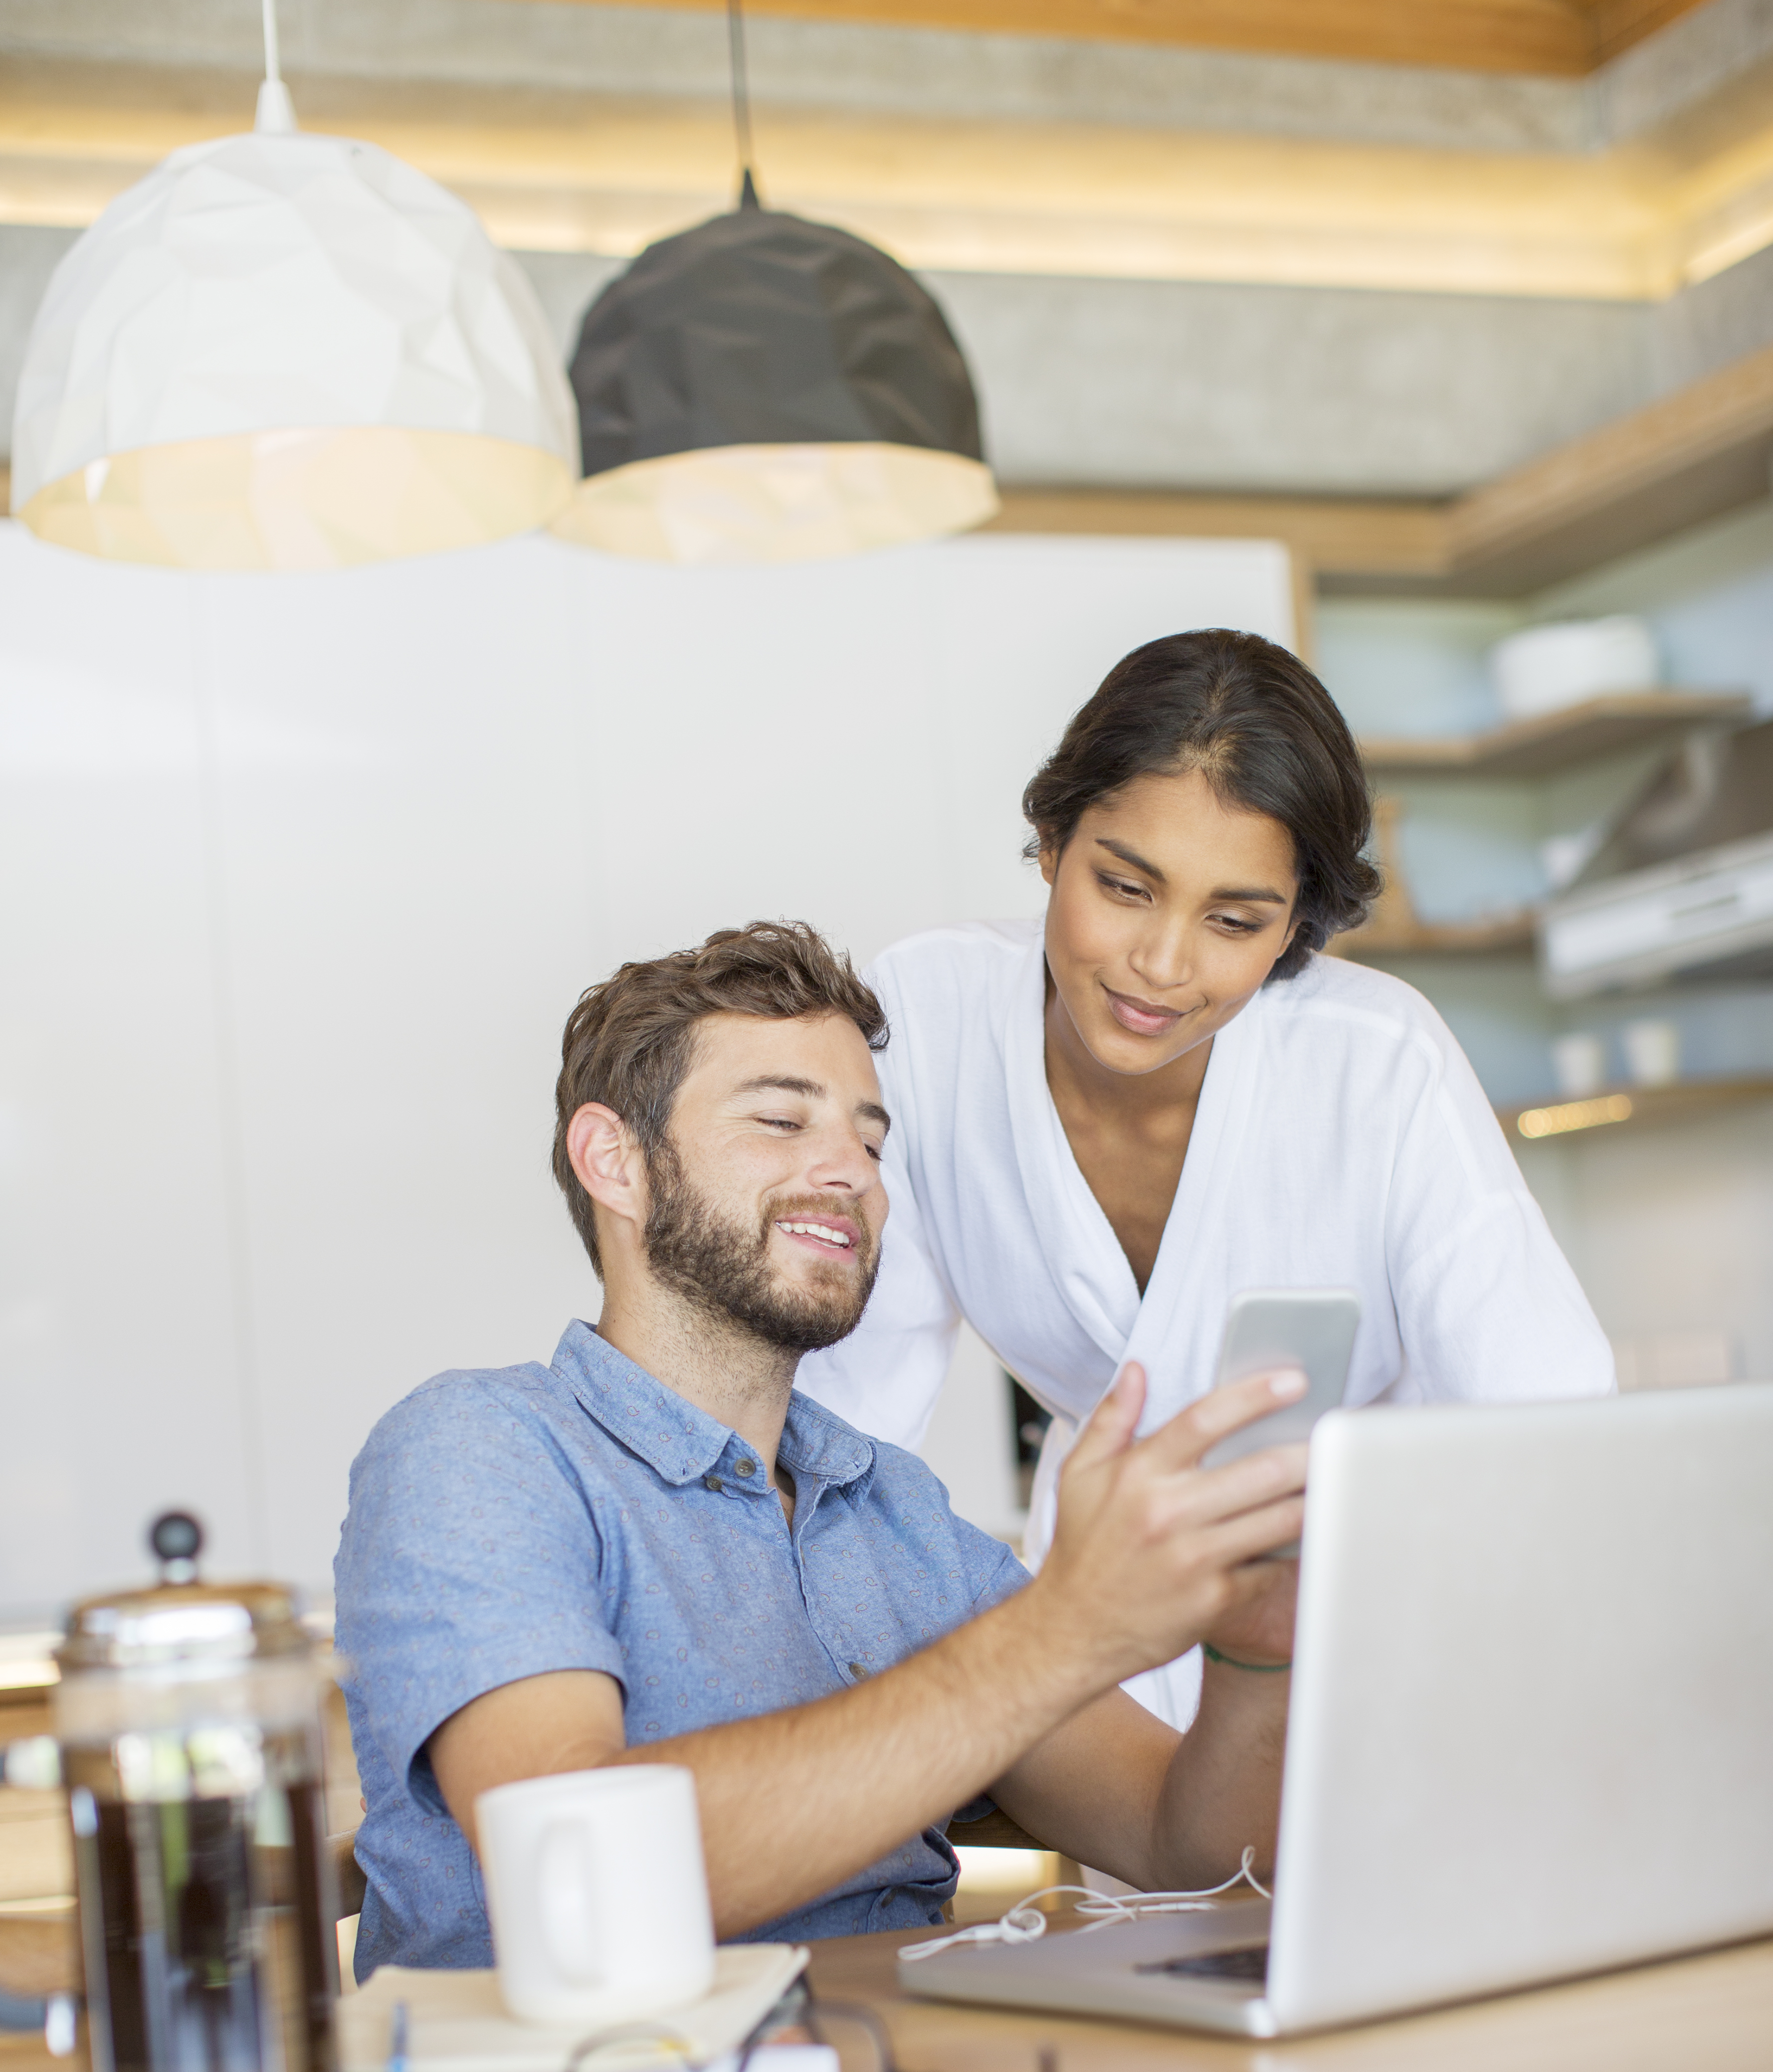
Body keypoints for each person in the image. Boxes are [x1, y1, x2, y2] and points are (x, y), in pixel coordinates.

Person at [335, 921, 1312, 1973]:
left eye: (871, 1140)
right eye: (779, 1119)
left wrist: (1257, 1641)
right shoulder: (482, 1450)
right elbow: (581, 1883)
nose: (851, 1171)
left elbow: (1192, 1849)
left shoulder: (892, 1509)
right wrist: (1067, 1628)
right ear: (613, 1161)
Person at [798, 630, 1615, 1725]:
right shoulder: (928, 1022)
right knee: (1149, 1896)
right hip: (1101, 1616)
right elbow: (842, 1429)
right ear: (1049, 841)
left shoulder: (1376, 1062)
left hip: (1392, 1611)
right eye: (1124, 887)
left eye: (1234, 920)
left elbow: (1547, 1429)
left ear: (1294, 930)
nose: (1163, 964)